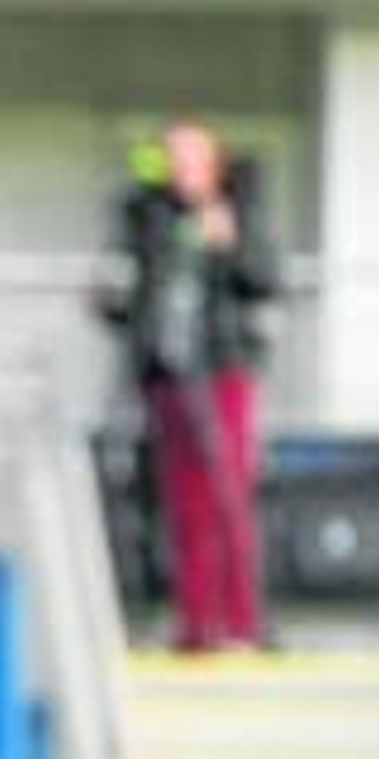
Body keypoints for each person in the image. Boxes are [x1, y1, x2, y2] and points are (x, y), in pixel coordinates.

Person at [109, 123, 278, 652]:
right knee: (184, 505)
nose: (182, 168)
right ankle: (197, 624)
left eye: (192, 157)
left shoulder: (238, 213)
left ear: (213, 163)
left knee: (229, 493)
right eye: (173, 158)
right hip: (168, 375)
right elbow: (137, 293)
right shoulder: (151, 219)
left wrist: (227, 244)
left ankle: (243, 624)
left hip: (222, 367)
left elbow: (263, 279)